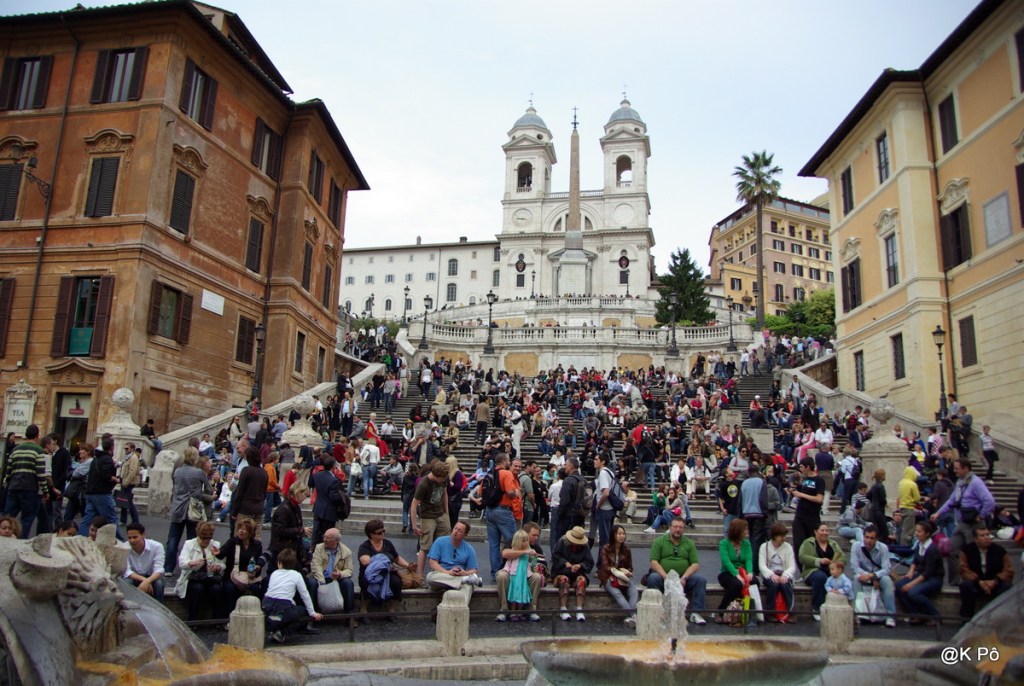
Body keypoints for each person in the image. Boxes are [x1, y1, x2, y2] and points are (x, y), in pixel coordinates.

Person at [931, 458, 996, 585]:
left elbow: (990, 501)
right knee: (951, 550)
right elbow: (952, 500)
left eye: (957, 469)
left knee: (973, 554)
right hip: (961, 523)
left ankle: (976, 582)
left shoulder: (976, 482)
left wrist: (981, 515)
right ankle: (955, 582)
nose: (955, 471)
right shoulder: (960, 482)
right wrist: (939, 513)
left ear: (966, 469)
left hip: (974, 524)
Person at [645, 517, 708, 625]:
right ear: (670, 527)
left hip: (683, 578)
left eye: (681, 527)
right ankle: (658, 611)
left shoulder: (689, 543)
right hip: (664, 577)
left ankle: (697, 613)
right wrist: (666, 577)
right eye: (675, 527)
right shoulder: (659, 541)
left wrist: (684, 577)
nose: (678, 529)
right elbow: (654, 562)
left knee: (700, 580)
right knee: (653, 578)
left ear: (684, 529)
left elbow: (695, 564)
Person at [164, 447, 214, 574]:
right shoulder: (198, 473)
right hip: (193, 509)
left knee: (173, 539)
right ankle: (191, 566)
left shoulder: (177, 471)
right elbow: (209, 489)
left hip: (177, 508)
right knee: (192, 540)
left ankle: (168, 568)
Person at [263, 548, 322, 643]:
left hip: (267, 606)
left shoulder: (274, 573)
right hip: (283, 608)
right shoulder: (296, 575)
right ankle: (282, 632)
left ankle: (273, 629)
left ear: (279, 563)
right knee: (303, 611)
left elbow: (276, 591)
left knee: (284, 611)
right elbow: (305, 595)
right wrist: (312, 613)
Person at [357, 518, 414, 614]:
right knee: (368, 582)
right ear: (371, 535)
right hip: (371, 574)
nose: (382, 533)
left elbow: (397, 558)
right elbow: (365, 561)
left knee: (397, 582)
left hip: (388, 573)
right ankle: (364, 608)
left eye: (383, 531)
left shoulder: (388, 543)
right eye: (379, 533)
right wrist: (383, 563)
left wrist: (407, 565)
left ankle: (392, 609)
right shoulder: (364, 546)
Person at [174, 521, 227, 622]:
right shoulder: (189, 544)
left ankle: (217, 620)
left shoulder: (215, 544)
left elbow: (222, 564)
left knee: (216, 589)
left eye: (208, 538)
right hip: (193, 577)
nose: (206, 541)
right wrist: (192, 563)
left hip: (210, 578)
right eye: (203, 538)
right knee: (198, 588)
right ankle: (192, 620)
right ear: (198, 535)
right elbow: (182, 563)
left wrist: (218, 567)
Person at [958, 526, 1013, 621]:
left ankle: (1001, 618)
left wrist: (995, 581)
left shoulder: (1000, 550)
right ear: (975, 539)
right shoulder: (966, 550)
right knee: (965, 585)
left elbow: (1008, 570)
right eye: (982, 536)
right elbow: (963, 569)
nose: (986, 538)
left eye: (987, 535)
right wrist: (979, 581)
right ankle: (966, 618)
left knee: (1007, 586)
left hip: (995, 582)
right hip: (976, 582)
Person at [2, 425, 47, 538]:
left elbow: (9, 470)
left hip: (13, 487)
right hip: (29, 488)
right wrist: (45, 490)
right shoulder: (38, 450)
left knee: (8, 517)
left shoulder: (16, 449)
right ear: (37, 435)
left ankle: (3, 540)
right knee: (26, 519)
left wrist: (8, 483)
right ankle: (21, 541)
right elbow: (41, 474)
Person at [895, 521, 945, 624]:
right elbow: (915, 560)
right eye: (916, 531)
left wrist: (911, 584)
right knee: (899, 585)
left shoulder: (932, 549)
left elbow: (928, 572)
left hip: (933, 578)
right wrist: (910, 572)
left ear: (927, 533)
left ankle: (935, 615)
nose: (916, 533)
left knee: (913, 592)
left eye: (919, 531)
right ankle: (915, 613)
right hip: (921, 574)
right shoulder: (919, 544)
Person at [849, 524, 897, 627]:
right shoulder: (856, 546)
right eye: (866, 537)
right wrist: (868, 576)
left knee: (887, 581)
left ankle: (890, 616)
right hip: (863, 574)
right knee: (856, 579)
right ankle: (859, 613)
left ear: (876, 539)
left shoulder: (883, 548)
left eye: (872, 538)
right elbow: (854, 567)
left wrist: (873, 576)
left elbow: (887, 568)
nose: (869, 540)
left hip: (878, 575)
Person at [78, 435, 124, 541]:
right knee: (111, 517)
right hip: (102, 493)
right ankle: (120, 541)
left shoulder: (95, 459)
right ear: (112, 447)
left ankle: (81, 539)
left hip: (90, 492)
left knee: (88, 519)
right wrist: (116, 479)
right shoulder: (107, 459)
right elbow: (106, 475)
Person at [410, 460, 451, 579]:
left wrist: (446, 514)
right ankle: (420, 576)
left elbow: (445, 494)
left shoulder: (444, 478)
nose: (442, 481)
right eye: (441, 479)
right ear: (435, 475)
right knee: (425, 546)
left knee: (444, 543)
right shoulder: (424, 484)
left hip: (441, 513)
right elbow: (413, 505)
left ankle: (439, 572)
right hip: (427, 515)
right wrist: (414, 526)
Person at [483, 453, 520, 582]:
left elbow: (480, 492)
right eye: (508, 460)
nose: (509, 462)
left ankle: (495, 573)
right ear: (504, 461)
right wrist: (516, 492)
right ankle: (513, 570)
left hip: (489, 510)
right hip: (503, 510)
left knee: (494, 544)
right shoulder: (507, 473)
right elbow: (510, 492)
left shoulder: (489, 473)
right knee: (514, 540)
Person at [425, 520, 482, 602]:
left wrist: (464, 573)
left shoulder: (469, 549)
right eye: (455, 528)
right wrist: (448, 572)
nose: (455, 532)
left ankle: (462, 607)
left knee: (468, 587)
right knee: (430, 577)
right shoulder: (440, 541)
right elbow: (432, 563)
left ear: (465, 535)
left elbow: (474, 570)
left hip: (459, 575)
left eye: (460, 531)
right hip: (443, 576)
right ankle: (464, 580)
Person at [798, 523, 844, 621]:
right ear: (815, 531)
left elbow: (843, 557)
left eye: (827, 530)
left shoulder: (833, 543)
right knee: (821, 577)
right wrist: (819, 561)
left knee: (843, 580)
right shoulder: (808, 543)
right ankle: (817, 608)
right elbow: (802, 557)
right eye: (822, 530)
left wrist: (835, 563)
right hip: (812, 571)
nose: (825, 533)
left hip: (831, 571)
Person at [218, 518, 265, 612]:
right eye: (239, 528)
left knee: (256, 589)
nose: (240, 531)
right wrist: (217, 552)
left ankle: (254, 614)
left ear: (250, 532)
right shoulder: (232, 542)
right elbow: (221, 553)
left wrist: (256, 569)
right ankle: (229, 615)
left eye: (244, 529)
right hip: (232, 576)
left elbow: (258, 563)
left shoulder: (257, 545)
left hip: (249, 576)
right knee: (230, 588)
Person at [598, 523, 639, 627]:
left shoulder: (627, 549)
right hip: (609, 578)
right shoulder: (605, 548)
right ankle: (634, 615)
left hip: (623, 578)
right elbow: (605, 567)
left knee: (634, 592)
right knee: (617, 594)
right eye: (619, 534)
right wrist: (620, 570)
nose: (622, 536)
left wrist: (628, 571)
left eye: (623, 534)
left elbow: (630, 567)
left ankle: (632, 617)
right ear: (613, 535)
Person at [551, 526, 593, 622]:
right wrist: (565, 562)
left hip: (577, 573)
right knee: (564, 580)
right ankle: (563, 609)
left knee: (581, 581)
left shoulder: (585, 546)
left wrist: (580, 565)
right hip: (562, 572)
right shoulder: (562, 541)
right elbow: (555, 555)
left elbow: (589, 562)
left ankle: (579, 609)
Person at [309, 527, 355, 613]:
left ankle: (350, 612)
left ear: (336, 541)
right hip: (321, 577)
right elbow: (316, 566)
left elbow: (349, 570)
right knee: (312, 583)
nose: (324, 539)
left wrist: (340, 574)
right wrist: (321, 581)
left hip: (336, 578)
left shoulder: (346, 551)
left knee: (348, 583)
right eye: (324, 537)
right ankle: (313, 611)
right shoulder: (319, 548)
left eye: (327, 538)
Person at [758, 522, 797, 623]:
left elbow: (792, 566)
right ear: (775, 536)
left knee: (785, 584)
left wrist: (785, 575)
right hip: (770, 573)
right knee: (773, 585)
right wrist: (771, 574)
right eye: (781, 536)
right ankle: (770, 612)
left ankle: (791, 612)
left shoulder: (788, 547)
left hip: (784, 573)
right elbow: (762, 565)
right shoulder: (764, 547)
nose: (784, 538)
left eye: (785, 535)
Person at [717, 518, 755, 622]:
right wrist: (736, 574)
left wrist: (750, 572)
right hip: (727, 572)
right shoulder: (724, 543)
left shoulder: (746, 543)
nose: (747, 532)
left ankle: (748, 612)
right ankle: (721, 611)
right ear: (738, 531)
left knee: (754, 582)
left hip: (743, 572)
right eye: (745, 530)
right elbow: (726, 561)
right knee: (736, 584)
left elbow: (748, 559)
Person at [230, 447, 268, 542]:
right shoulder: (264, 472)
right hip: (258, 508)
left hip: (245, 508)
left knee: (241, 536)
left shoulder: (246, 471)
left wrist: (234, 511)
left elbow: (240, 492)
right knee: (256, 536)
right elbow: (264, 493)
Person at [789, 457, 825, 555]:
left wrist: (801, 495)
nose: (800, 469)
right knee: (798, 543)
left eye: (802, 467)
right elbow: (800, 492)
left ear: (808, 467)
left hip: (812, 516)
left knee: (812, 542)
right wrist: (793, 491)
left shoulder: (819, 480)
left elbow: (819, 499)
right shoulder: (804, 479)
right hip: (800, 515)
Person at [311, 456, 347, 547]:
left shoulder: (317, 475)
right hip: (329, 511)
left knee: (316, 532)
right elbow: (334, 497)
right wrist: (342, 496)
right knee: (327, 534)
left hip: (318, 507)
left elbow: (311, 484)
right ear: (333, 466)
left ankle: (314, 548)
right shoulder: (333, 480)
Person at [124, 522, 166, 598]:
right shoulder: (124, 547)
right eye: (129, 538)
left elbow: (159, 570)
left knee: (159, 584)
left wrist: (148, 580)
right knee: (126, 583)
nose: (132, 540)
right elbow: (127, 571)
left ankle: (157, 605)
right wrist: (144, 580)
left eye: (135, 537)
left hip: (152, 577)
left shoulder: (157, 546)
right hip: (133, 577)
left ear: (143, 535)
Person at [118, 445, 143, 526]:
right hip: (124, 481)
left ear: (132, 449)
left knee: (128, 502)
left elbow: (132, 471)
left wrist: (127, 482)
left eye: (127, 448)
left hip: (128, 483)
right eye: (124, 448)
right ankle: (124, 520)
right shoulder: (127, 457)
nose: (125, 450)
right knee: (124, 500)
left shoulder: (133, 458)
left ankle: (135, 520)